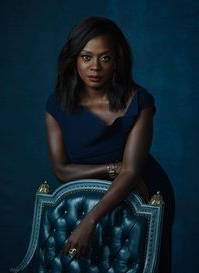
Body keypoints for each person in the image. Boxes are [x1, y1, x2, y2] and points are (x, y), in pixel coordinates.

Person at [45, 16, 155, 256]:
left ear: (116, 61)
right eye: (86, 57)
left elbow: (132, 172)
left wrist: (89, 221)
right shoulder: (56, 103)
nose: (95, 67)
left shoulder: (139, 101)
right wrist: (112, 168)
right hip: (84, 196)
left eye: (105, 57)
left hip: (141, 194)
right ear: (74, 60)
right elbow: (62, 171)